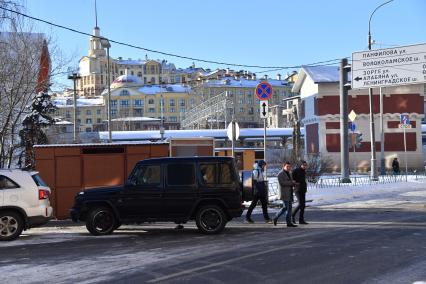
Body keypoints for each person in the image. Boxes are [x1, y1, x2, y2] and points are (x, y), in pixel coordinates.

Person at [273, 161, 297, 227]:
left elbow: (290, 182)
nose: (288, 168)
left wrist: (294, 183)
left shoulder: (289, 173)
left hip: (289, 193)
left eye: (289, 166)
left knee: (289, 208)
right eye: (287, 166)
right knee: (285, 207)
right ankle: (276, 217)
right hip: (284, 193)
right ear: (283, 166)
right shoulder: (280, 174)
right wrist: (291, 182)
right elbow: (282, 183)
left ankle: (288, 223)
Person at [292, 160, 309, 225]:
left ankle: (301, 220)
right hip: (297, 190)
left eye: (306, 165)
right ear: (300, 165)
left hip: (303, 190)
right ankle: (292, 215)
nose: (305, 166)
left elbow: (303, 180)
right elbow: (292, 180)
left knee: (303, 205)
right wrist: (295, 183)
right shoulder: (295, 171)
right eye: (304, 165)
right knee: (300, 204)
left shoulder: (304, 171)